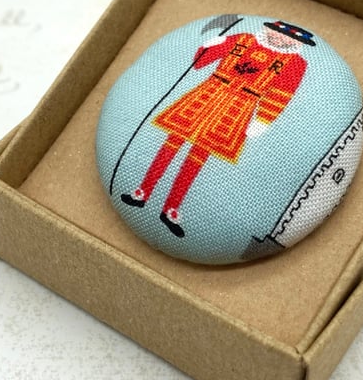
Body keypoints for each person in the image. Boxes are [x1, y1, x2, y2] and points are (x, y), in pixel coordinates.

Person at [121, 20, 314, 237]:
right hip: (209, 93)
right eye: (277, 32)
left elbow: (281, 94)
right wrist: (210, 45)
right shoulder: (243, 39)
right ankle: (142, 191)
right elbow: (199, 63)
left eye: (287, 37)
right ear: (269, 30)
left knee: (200, 155)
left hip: (239, 107)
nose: (279, 38)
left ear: (296, 42)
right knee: (173, 140)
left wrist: (263, 120)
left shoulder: (295, 63)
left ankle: (171, 208)